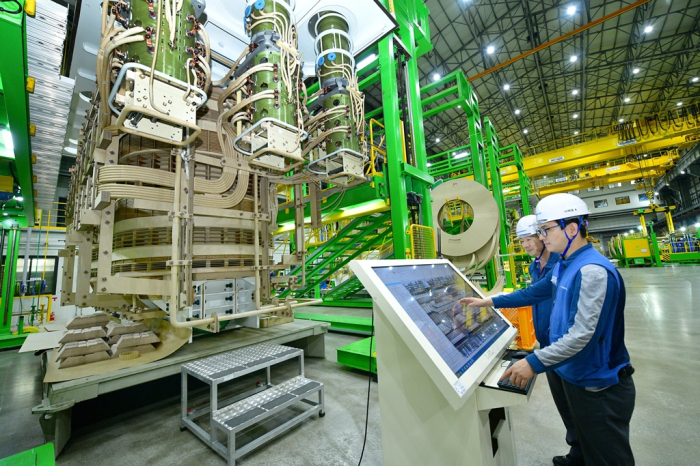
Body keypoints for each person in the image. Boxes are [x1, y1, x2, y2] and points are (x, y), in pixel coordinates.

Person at [460, 193, 635, 466]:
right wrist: (490, 301)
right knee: (583, 437)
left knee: (606, 455)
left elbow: (583, 335)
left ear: (572, 228)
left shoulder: (591, 271)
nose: (542, 237)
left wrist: (534, 361)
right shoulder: (565, 265)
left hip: (598, 383)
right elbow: (533, 293)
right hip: (573, 372)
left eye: (546, 229)